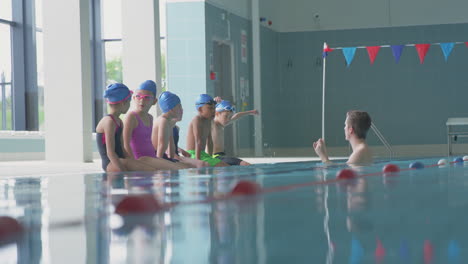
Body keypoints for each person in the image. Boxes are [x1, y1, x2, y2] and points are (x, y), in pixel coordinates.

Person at [96, 83, 163, 172]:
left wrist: (133, 162)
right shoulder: (109, 122)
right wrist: (124, 172)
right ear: (123, 103)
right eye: (129, 103)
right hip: (110, 163)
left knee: (151, 170)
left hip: (122, 160)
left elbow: (123, 148)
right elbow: (110, 153)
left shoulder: (119, 121)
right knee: (150, 171)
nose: (129, 106)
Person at [122, 80, 184, 170]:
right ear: (134, 98)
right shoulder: (131, 117)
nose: (142, 100)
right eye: (138, 96)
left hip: (152, 157)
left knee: (186, 167)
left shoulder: (150, 117)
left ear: (154, 101)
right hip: (141, 159)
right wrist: (133, 163)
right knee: (176, 169)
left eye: (146, 97)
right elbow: (125, 143)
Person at [152, 91, 208, 168]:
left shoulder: (168, 122)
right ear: (171, 108)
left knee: (198, 165)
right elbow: (161, 145)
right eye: (179, 106)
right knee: (197, 165)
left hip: (164, 157)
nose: (181, 109)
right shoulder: (163, 121)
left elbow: (171, 151)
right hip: (158, 157)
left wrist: (174, 159)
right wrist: (159, 166)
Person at [186, 94, 229, 167]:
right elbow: (198, 141)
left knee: (223, 165)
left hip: (202, 154)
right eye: (210, 108)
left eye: (213, 108)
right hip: (193, 154)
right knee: (223, 166)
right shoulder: (197, 120)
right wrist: (197, 161)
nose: (213, 111)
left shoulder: (208, 121)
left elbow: (209, 141)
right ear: (200, 109)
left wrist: (210, 157)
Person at [211, 99, 258, 166]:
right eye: (226, 116)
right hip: (214, 157)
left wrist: (250, 112)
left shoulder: (222, 124)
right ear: (217, 113)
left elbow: (236, 116)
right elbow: (206, 115)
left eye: (230, 117)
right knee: (245, 164)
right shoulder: (212, 124)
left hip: (222, 156)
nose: (228, 119)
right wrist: (213, 102)